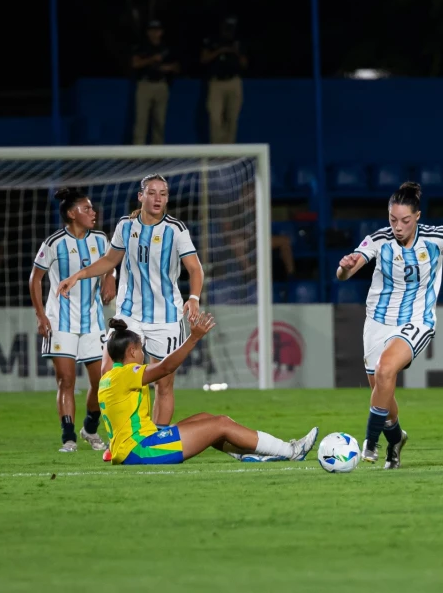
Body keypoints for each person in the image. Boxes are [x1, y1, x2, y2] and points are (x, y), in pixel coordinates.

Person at [336, 181, 443, 469]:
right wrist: (345, 266)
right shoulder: (378, 239)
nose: (398, 226)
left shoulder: (436, 237)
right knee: (381, 389)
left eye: (405, 220)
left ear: (417, 217)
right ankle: (395, 438)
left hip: (417, 321)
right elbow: (345, 273)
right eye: (393, 219)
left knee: (385, 370)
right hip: (377, 322)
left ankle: (369, 444)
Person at [58, 174, 205, 432]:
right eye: (152, 192)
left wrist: (193, 298)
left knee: (164, 383)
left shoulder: (175, 229)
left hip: (166, 317)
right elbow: (109, 260)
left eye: (163, 193)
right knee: (109, 374)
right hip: (128, 314)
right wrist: (77, 276)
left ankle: (155, 440)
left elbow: (195, 268)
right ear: (141, 196)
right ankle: (118, 435)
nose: (158, 198)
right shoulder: (126, 226)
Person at [100, 317, 318, 465]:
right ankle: (291, 451)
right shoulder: (128, 373)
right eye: (140, 349)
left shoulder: (108, 378)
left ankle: (249, 455)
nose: (143, 354)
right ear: (131, 351)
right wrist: (193, 338)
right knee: (221, 424)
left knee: (205, 419)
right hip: (141, 449)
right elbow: (165, 367)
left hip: (133, 446)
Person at [29, 189, 117, 453]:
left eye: (92, 209)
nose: (93, 213)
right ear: (71, 214)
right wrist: (41, 315)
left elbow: (109, 263)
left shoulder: (101, 239)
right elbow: (35, 278)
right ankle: (69, 438)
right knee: (65, 381)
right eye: (87, 209)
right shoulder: (54, 242)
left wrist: (109, 277)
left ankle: (90, 428)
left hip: (91, 321)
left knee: (102, 382)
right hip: (61, 321)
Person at [131, 20, 180, 145]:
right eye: (152, 30)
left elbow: (176, 66)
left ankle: (157, 155)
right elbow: (135, 63)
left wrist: (166, 68)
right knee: (141, 120)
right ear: (148, 32)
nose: (154, 33)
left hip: (161, 85)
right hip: (145, 85)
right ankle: (137, 154)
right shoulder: (142, 46)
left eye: (157, 30)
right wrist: (152, 59)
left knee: (159, 121)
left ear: (161, 32)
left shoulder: (167, 48)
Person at [200, 17, 247, 144]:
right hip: (216, 83)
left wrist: (235, 51)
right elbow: (203, 59)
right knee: (215, 117)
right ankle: (217, 151)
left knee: (232, 118)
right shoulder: (212, 40)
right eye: (227, 27)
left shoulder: (238, 42)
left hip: (234, 82)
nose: (229, 30)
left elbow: (244, 63)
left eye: (231, 27)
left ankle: (229, 150)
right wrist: (220, 51)